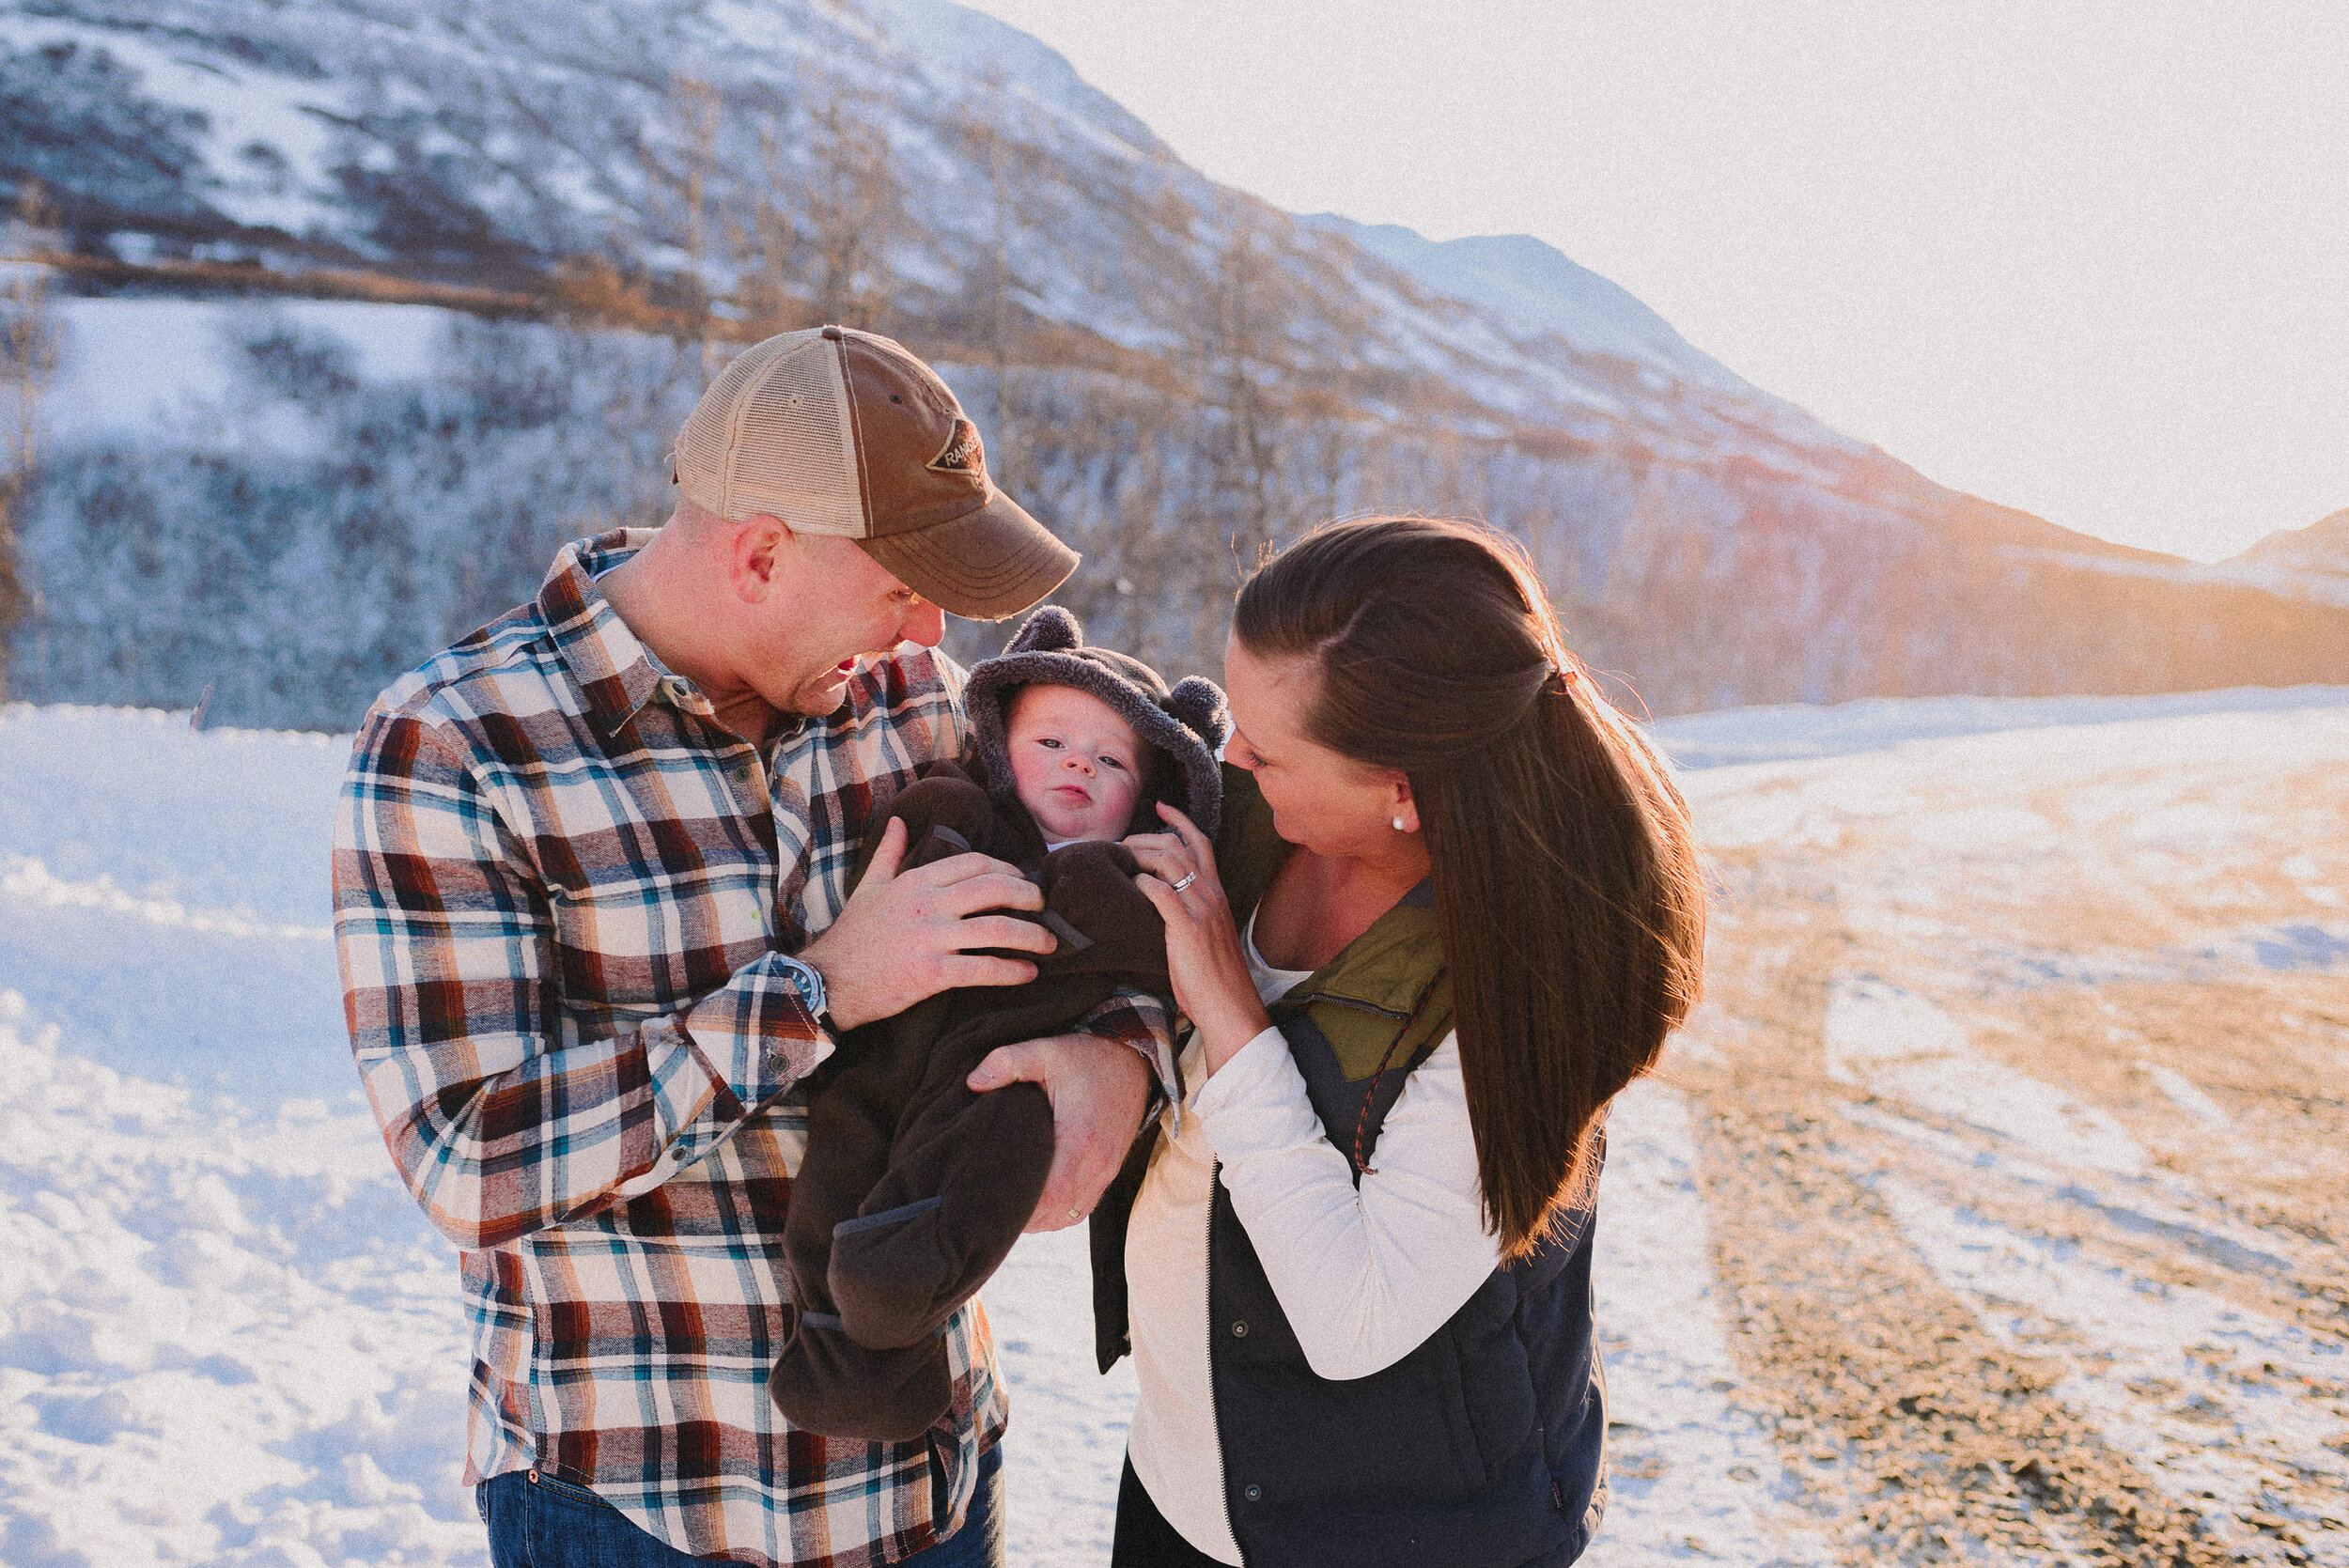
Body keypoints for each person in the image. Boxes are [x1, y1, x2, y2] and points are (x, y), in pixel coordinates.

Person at [333, 325, 1169, 1568]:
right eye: (901, 580)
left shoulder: (917, 700)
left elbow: (1120, 910)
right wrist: (820, 989)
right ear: (764, 553)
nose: (931, 620)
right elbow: (467, 1159)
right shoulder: (455, 744)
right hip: (634, 1508)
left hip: (922, 1491)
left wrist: (1123, 1056)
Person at [1100, 517, 1708, 1568]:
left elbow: (1356, 1318)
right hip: (1181, 1484)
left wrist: (1232, 1016)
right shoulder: (1242, 807)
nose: (1231, 754)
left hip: (1395, 1530)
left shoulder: (1531, 980)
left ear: (1402, 793)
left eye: (1269, 747)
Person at [770, 604, 1228, 1442]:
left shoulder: (1133, 887)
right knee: (834, 1172)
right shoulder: (955, 812)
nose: (1076, 766)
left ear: (1150, 795)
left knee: (991, 1143)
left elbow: (1163, 986)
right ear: (1001, 747)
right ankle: (847, 1361)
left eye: (1110, 760)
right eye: (1050, 743)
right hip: (883, 1056)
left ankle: (909, 1276)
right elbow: (898, 846)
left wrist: (1126, 1049)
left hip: (998, 1072)